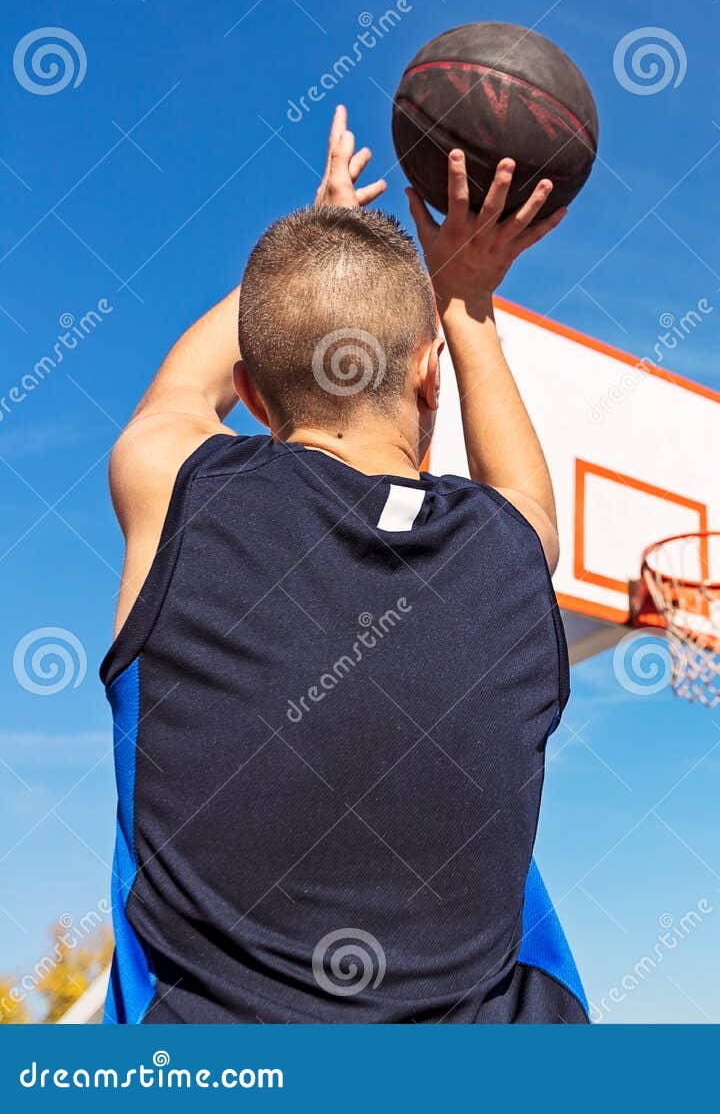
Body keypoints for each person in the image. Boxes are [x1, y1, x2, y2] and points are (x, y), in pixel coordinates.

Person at [98, 106, 586, 1022]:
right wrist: (467, 297)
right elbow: (529, 494)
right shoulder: (509, 549)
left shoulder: (181, 489)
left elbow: (176, 396)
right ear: (431, 375)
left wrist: (314, 235)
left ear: (250, 390)